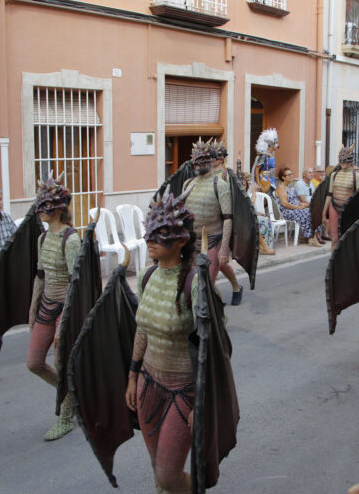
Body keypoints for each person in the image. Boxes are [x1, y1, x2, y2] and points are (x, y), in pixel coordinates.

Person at [125, 190, 199, 494]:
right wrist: (132, 377)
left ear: (181, 239)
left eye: (162, 233)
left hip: (184, 392)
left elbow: (214, 348)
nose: (149, 239)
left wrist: (204, 400)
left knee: (169, 475)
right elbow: (142, 330)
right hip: (147, 385)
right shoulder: (146, 276)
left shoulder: (197, 283)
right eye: (149, 232)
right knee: (159, 472)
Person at [26, 175, 81, 441]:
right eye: (40, 205)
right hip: (46, 307)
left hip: (65, 309)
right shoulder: (41, 238)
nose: (42, 211)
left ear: (59, 208)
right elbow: (40, 276)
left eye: (47, 206)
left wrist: (66, 323)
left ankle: (66, 416)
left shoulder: (71, 240)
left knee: (62, 364)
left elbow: (75, 285)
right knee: (34, 362)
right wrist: (32, 309)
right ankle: (72, 394)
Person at [183, 139, 232, 289]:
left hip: (212, 240)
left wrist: (224, 249)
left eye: (202, 161)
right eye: (196, 162)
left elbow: (228, 219)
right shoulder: (188, 183)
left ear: (211, 161)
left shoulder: (221, 185)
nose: (198, 166)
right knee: (192, 284)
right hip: (192, 241)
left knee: (207, 284)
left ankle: (235, 286)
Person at [209, 141, 244, 305]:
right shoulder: (205, 174)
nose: (213, 159)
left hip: (222, 224)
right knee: (219, 263)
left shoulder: (226, 175)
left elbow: (232, 201)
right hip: (207, 223)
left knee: (215, 262)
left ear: (221, 158)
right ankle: (236, 287)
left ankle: (214, 300)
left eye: (216, 156)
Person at [322, 145, 359, 250]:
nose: (342, 163)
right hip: (334, 206)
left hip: (349, 209)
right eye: (341, 160)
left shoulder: (357, 176)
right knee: (334, 238)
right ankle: (333, 264)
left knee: (347, 238)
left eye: (345, 160)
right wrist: (324, 213)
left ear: (350, 161)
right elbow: (329, 194)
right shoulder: (334, 175)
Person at [275, 167, 321, 246]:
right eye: (289, 175)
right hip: (287, 212)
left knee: (314, 211)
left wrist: (301, 204)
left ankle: (312, 237)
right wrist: (299, 207)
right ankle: (311, 237)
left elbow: (293, 200)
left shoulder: (288, 187)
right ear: (283, 177)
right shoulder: (281, 188)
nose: (291, 176)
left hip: (294, 209)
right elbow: (285, 204)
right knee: (308, 212)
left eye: (292, 174)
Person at [243, 172, 275, 255]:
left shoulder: (244, 194)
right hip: (241, 220)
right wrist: (253, 192)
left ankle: (265, 246)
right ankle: (262, 246)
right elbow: (250, 205)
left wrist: (256, 212)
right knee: (257, 221)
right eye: (242, 184)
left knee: (266, 220)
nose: (244, 186)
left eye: (244, 184)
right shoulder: (239, 195)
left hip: (246, 217)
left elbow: (247, 209)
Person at [253, 128, 278, 193]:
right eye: (276, 143)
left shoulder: (272, 155)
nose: (277, 145)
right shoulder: (264, 155)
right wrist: (258, 183)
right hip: (264, 179)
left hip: (272, 179)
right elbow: (257, 169)